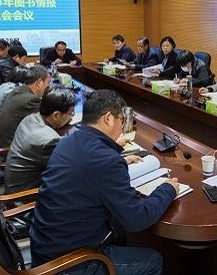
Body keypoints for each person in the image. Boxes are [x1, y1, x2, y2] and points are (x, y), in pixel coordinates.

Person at [30, 90, 179, 274]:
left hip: (44, 246)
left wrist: (119, 160)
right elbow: (137, 219)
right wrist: (168, 189)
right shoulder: (107, 162)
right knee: (153, 261)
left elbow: (88, 167)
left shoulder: (67, 141)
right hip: (69, 263)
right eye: (122, 120)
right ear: (108, 118)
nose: (122, 127)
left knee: (119, 227)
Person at [4, 86, 76, 194]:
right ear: (56, 115)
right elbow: (67, 169)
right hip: (24, 198)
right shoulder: (49, 140)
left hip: (14, 186)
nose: (71, 117)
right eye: (71, 113)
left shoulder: (30, 118)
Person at [0, 65, 50, 148]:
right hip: (12, 149)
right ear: (39, 82)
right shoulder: (31, 100)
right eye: (48, 83)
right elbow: (48, 120)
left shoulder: (18, 90)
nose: (48, 86)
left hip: (6, 141)